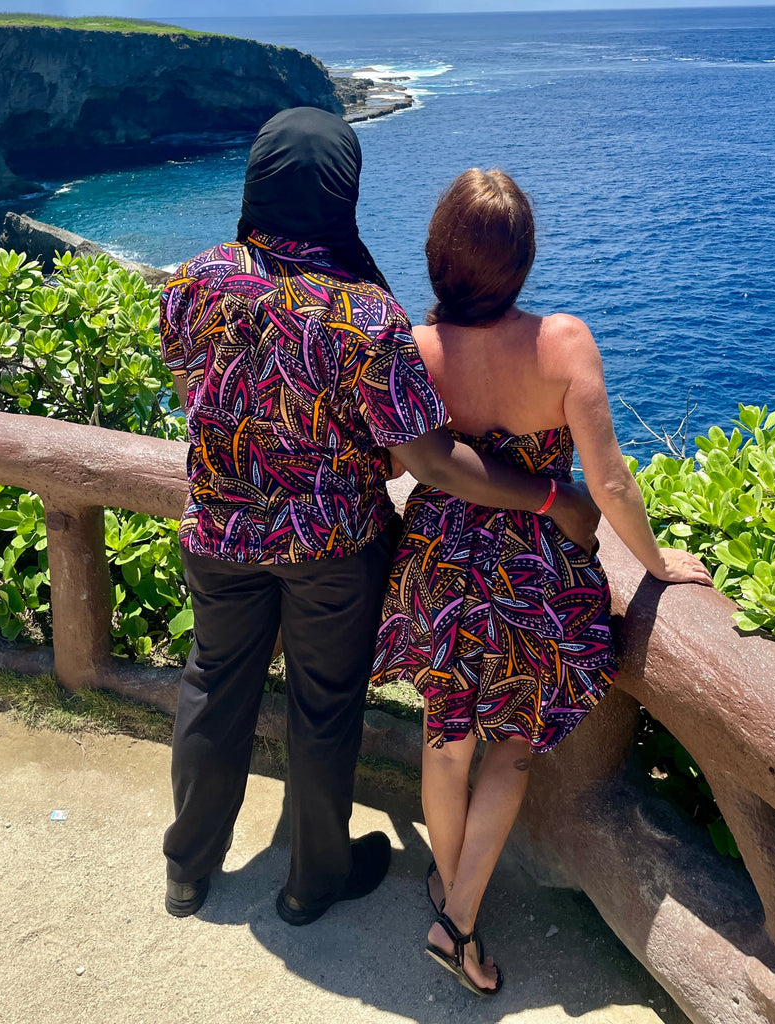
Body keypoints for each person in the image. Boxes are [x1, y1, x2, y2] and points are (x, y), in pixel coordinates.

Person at [159, 111, 600, 929]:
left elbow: (193, 383)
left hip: (220, 529)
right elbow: (429, 461)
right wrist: (553, 497)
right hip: (331, 546)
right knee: (324, 707)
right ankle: (311, 881)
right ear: (342, 195)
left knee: (213, 685)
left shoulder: (194, 279)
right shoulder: (363, 314)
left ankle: (187, 869)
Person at [371, 168, 712, 994]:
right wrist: (660, 566)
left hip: (440, 563)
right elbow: (612, 485)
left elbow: (393, 462)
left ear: (438, 255)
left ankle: (452, 899)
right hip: (534, 571)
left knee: (445, 740)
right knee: (513, 748)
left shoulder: (413, 350)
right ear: (520, 261)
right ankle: (456, 924)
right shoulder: (562, 342)